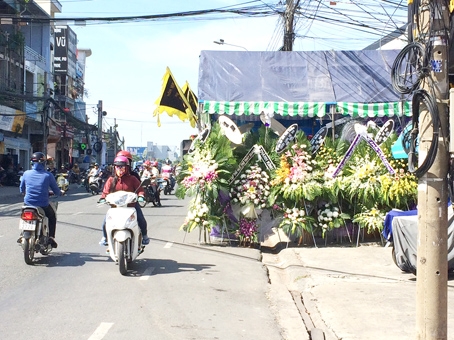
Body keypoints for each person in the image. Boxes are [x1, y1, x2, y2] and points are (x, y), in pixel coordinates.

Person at [98, 155, 150, 245]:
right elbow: (105, 191)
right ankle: (105, 237)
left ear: (127, 168)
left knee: (141, 219)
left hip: (131, 205)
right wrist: (103, 198)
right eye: (118, 166)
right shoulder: (111, 180)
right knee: (105, 222)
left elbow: (140, 189)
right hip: (115, 207)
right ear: (114, 167)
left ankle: (145, 236)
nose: (120, 169)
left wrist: (141, 196)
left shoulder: (132, 179)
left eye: (122, 166)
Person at [19, 152, 64, 248]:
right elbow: (56, 190)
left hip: (28, 203)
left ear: (32, 163)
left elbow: (21, 189)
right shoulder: (48, 175)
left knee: (23, 215)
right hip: (43, 204)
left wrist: (25, 192)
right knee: (52, 216)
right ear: (44, 163)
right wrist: (61, 193)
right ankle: (51, 237)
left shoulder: (26, 174)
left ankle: (22, 234)